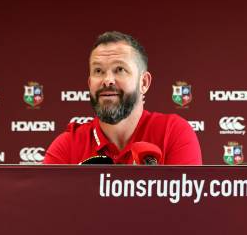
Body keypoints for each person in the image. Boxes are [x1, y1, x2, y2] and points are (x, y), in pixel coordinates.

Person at [44, 31, 202, 165]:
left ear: (144, 82)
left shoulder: (172, 133)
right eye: (98, 71)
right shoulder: (67, 146)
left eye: (120, 69)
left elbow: (184, 201)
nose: (107, 80)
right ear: (90, 83)